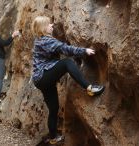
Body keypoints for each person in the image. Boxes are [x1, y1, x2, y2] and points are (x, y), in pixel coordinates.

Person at [32, 16, 105, 145]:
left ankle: (53, 138)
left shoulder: (41, 40)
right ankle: (89, 88)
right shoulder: (44, 41)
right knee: (67, 62)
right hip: (43, 76)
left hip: (41, 79)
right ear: (43, 28)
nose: (52, 26)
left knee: (53, 109)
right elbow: (65, 49)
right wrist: (84, 50)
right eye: (49, 24)